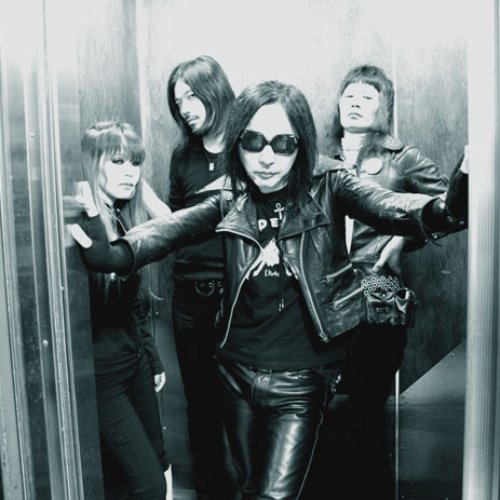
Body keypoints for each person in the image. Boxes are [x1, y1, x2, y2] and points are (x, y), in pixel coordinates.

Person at [70, 81, 466, 500]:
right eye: (253, 141)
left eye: (283, 143)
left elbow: (394, 207)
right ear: (237, 143)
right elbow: (172, 228)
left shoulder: (329, 184)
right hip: (235, 375)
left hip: (300, 380)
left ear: (302, 145)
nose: (266, 157)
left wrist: (450, 205)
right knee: (249, 487)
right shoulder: (232, 194)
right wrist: (115, 253)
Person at [317, 64, 453, 499]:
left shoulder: (401, 157)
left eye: (367, 96)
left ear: (384, 108)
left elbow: (452, 206)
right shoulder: (316, 158)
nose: (355, 102)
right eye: (349, 95)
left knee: (366, 409)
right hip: (323, 292)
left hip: (378, 287)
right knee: (318, 412)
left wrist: (401, 240)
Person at [76, 120, 171, 500]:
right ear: (91, 163)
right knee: (146, 485)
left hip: (134, 361)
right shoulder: (84, 224)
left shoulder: (120, 217)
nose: (130, 171)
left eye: (135, 162)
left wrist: (152, 357)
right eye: (118, 161)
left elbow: (133, 305)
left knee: (160, 462)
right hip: (102, 376)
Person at [165, 55, 235, 500]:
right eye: (178, 102)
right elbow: (178, 222)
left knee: (245, 400)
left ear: (215, 90)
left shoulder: (249, 146)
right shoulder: (182, 156)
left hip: (237, 294)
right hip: (189, 295)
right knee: (200, 405)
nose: (186, 109)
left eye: (192, 96)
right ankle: (212, 490)